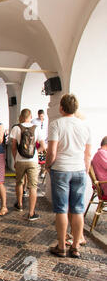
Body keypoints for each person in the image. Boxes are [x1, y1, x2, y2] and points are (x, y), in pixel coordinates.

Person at [46, 94, 91, 259]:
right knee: (78, 209)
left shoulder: (56, 124)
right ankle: (76, 246)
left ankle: (61, 246)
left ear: (61, 108)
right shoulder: (85, 126)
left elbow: (52, 151)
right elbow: (88, 154)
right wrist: (85, 170)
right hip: (79, 169)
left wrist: (48, 165)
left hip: (61, 169)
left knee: (62, 209)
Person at [10, 109, 46, 221]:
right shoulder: (36, 128)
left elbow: (13, 146)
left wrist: (15, 159)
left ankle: (20, 204)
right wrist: (35, 152)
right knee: (33, 187)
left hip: (20, 161)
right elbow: (43, 146)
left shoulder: (16, 128)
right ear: (30, 116)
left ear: (21, 116)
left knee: (19, 182)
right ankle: (31, 213)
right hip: (33, 161)